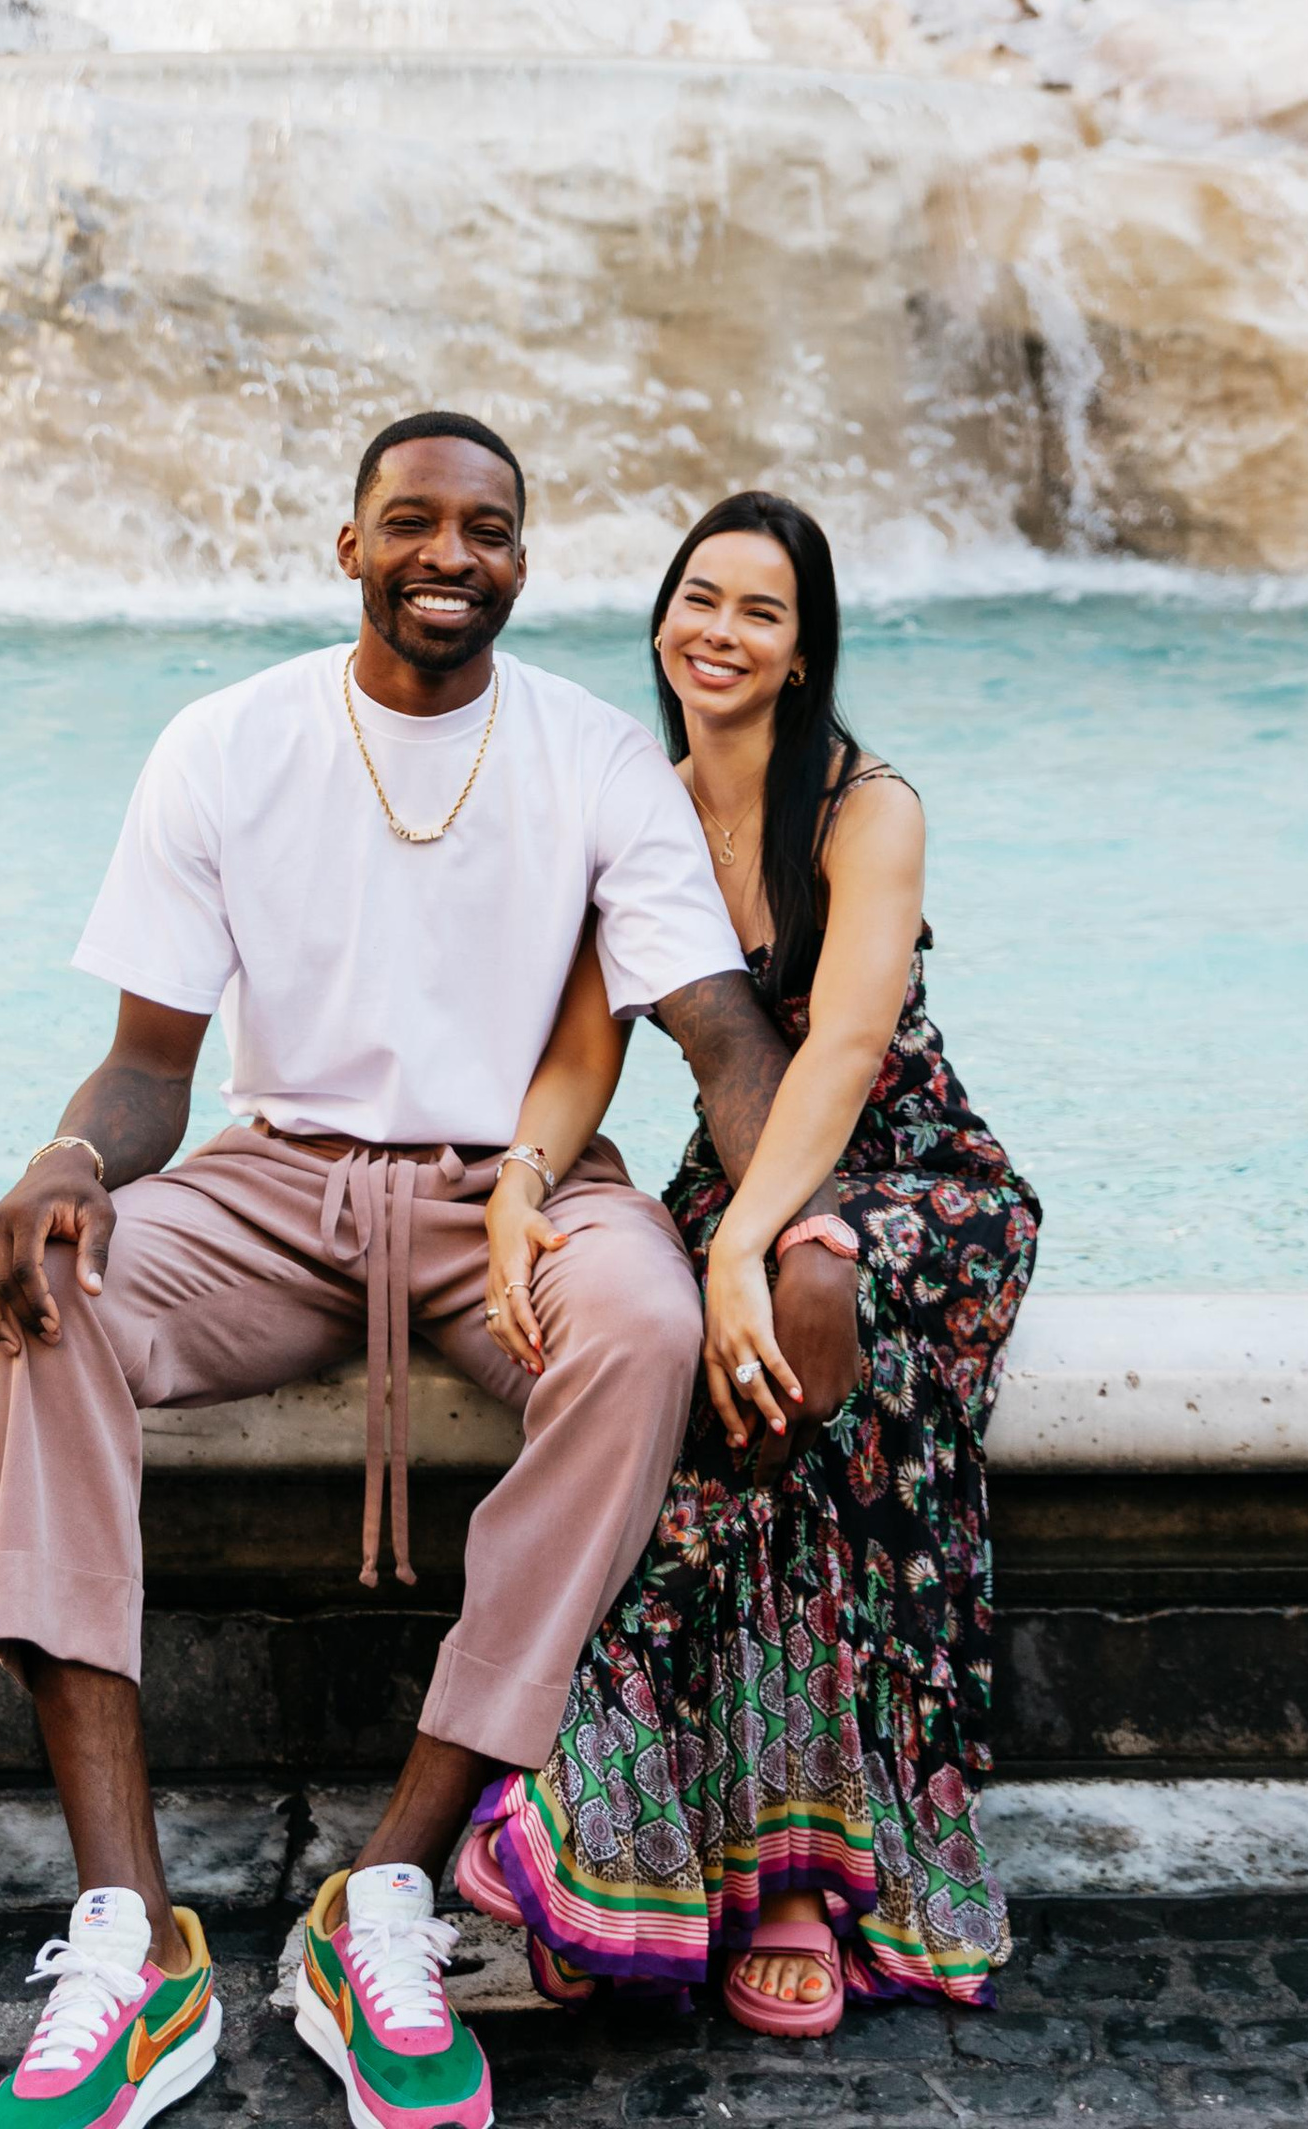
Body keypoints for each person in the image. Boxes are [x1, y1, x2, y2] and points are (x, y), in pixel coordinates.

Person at [0, 415, 860, 2129]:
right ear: (351, 545)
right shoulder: (226, 743)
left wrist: (785, 1231)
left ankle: (386, 1892)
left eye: (490, 530)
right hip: (276, 1185)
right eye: (416, 524)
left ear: (525, 558)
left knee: (652, 1325)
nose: (454, 556)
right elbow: (150, 1069)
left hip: (511, 1199)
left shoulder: (594, 757)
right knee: (41, 1295)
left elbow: (722, 1035)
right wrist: (55, 1171)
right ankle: (131, 1936)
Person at [456, 492, 1040, 2035]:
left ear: (801, 652)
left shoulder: (865, 806)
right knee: (739, 1384)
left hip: (913, 1178)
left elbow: (843, 1054)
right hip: (740, 1187)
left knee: (799, 1328)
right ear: (664, 618)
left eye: (759, 614)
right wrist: (524, 1178)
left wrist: (740, 1250)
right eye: (698, 600)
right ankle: (741, 1853)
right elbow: (583, 1049)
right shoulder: (633, 802)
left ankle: (748, 1861)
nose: (719, 632)